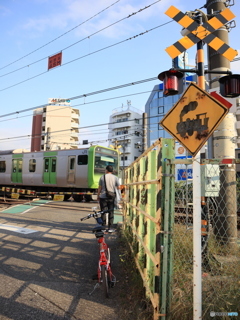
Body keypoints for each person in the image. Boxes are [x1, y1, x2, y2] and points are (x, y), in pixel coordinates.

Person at [97, 165, 121, 232]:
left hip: (103, 197)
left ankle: (103, 227)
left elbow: (100, 187)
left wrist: (98, 195)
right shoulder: (115, 178)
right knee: (111, 212)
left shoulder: (102, 177)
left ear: (106, 170)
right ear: (112, 171)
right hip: (112, 196)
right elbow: (119, 187)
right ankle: (110, 228)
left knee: (103, 212)